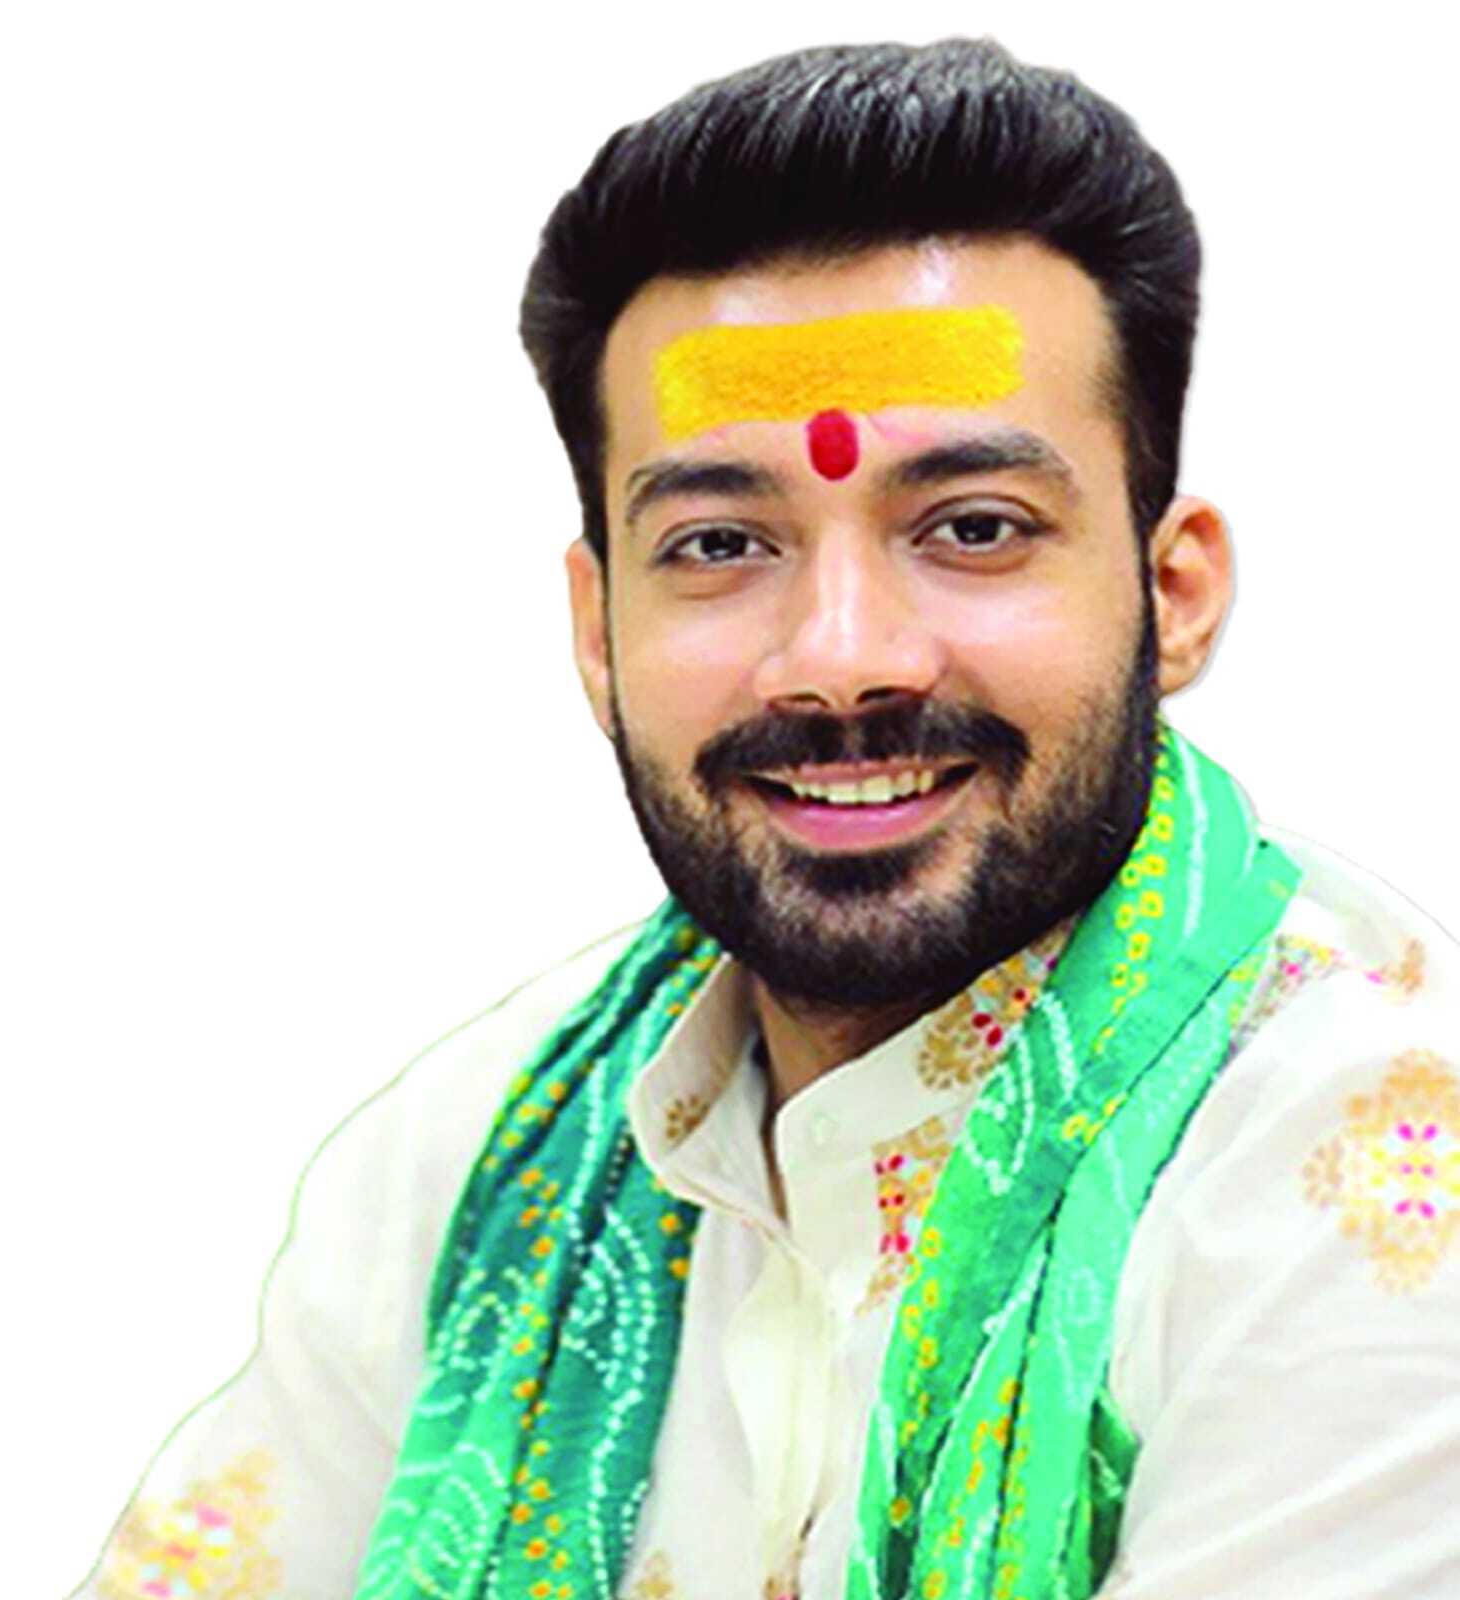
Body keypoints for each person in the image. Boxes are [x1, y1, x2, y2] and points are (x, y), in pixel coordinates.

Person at [71, 37, 1460, 1600]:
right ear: (597, 630)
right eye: (722, 544)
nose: (841, 657)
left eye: (972, 528)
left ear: (1172, 589)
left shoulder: (1376, 1169)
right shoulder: (473, 1163)